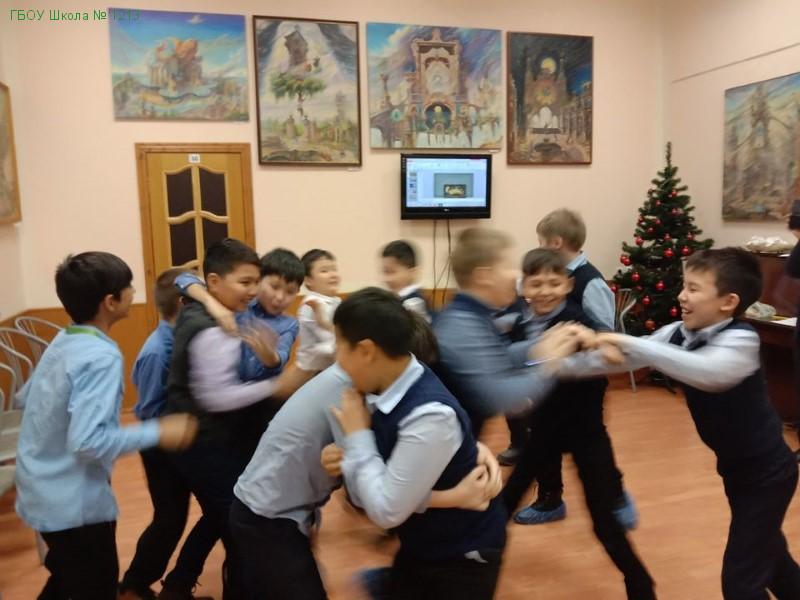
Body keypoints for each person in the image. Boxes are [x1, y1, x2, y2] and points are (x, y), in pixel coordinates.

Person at [563, 247, 800, 599]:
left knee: (741, 581)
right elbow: (626, 359)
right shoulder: (678, 332)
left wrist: (621, 339)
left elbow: (707, 372)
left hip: (769, 474)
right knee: (771, 559)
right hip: (737, 471)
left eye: (693, 288)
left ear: (728, 302)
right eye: (683, 286)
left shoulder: (742, 339)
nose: (681, 296)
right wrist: (555, 366)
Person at [229, 310, 501, 599]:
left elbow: (389, 455)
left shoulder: (372, 387)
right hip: (268, 515)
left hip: (276, 507)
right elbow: (366, 497)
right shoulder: (351, 392)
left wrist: (472, 447)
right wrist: (452, 497)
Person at [15, 252, 196, 600]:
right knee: (93, 584)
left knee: (67, 577)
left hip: (39, 488)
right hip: (71, 504)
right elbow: (89, 442)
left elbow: (26, 398)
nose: (134, 292)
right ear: (110, 302)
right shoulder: (100, 356)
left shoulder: (65, 338)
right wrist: (159, 431)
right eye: (128, 287)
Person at [333, 288, 509, 598]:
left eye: (339, 345)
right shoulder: (384, 386)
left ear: (366, 350)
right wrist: (449, 496)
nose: (337, 359)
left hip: (461, 557)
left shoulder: (428, 415)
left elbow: (385, 510)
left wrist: (358, 437)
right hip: (422, 546)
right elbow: (363, 497)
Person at [501, 249, 656, 600]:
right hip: (544, 430)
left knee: (603, 520)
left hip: (586, 432)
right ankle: (475, 563)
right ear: (523, 286)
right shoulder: (521, 320)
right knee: (508, 498)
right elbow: (516, 363)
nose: (545, 291)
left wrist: (598, 349)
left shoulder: (577, 321)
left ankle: (641, 585)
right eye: (536, 283)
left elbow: (608, 358)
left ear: (568, 284)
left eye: (554, 283)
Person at [163, 238, 291, 600]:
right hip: (204, 441)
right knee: (237, 527)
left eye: (256, 282)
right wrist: (277, 386)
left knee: (220, 517)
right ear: (215, 282)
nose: (254, 290)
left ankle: (177, 585)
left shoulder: (206, 307)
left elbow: (188, 281)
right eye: (245, 282)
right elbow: (216, 397)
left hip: (205, 438)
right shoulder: (212, 326)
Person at [119, 268, 216, 600]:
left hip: (187, 445)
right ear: (184, 304)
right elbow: (148, 411)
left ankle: (174, 584)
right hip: (162, 449)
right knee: (169, 520)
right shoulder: (157, 351)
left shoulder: (188, 339)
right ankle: (134, 585)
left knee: (214, 512)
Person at [296, 249, 342, 373]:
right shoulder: (311, 304)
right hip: (312, 372)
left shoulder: (335, 301)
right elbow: (332, 343)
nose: (333, 275)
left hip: (330, 366)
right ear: (308, 280)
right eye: (324, 271)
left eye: (334, 269)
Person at [380, 239, 431, 320]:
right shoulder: (394, 299)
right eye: (385, 272)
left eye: (392, 272)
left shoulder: (413, 303)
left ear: (412, 272)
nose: (388, 279)